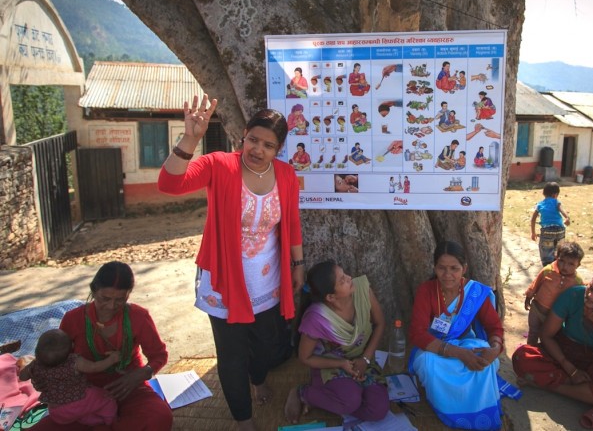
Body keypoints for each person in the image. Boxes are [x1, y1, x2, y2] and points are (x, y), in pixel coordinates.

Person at [158, 95, 304, 431]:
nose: (258, 150)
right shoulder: (219, 165)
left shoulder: (285, 174)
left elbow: (291, 222)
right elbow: (169, 184)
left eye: (268, 145)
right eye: (253, 139)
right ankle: (243, 418)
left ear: (278, 150)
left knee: (268, 346)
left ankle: (258, 379)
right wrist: (191, 138)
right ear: (243, 137)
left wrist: (297, 264)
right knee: (232, 353)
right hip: (223, 280)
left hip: (268, 280)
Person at [30, 261, 172, 431]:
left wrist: (140, 374)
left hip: (128, 388)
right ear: (93, 290)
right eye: (105, 298)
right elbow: (58, 360)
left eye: (120, 300)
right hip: (82, 394)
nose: (111, 306)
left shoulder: (138, 316)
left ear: (128, 295)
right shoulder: (73, 319)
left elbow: (159, 355)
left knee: (160, 417)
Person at [512, 265, 593, 430]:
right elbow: (547, 335)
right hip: (562, 352)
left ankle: (551, 385)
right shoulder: (573, 295)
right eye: (590, 288)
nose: (590, 296)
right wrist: (571, 370)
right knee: (522, 357)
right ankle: (582, 391)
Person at [408, 241, 508, 430]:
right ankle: (448, 408)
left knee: (485, 362)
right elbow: (417, 334)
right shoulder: (427, 291)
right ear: (434, 268)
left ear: (464, 268)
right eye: (441, 268)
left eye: (454, 268)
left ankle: (478, 410)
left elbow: (494, 328)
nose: (447, 275)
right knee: (429, 365)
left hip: (464, 342)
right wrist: (458, 353)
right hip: (434, 346)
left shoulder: (475, 292)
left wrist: (495, 348)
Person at [285, 261, 388, 424]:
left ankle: (336, 401)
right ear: (331, 297)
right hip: (332, 364)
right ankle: (303, 393)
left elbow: (380, 323)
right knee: (350, 401)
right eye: (342, 280)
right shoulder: (317, 318)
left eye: (344, 273)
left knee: (378, 410)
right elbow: (305, 358)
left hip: (363, 360)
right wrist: (341, 364)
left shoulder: (362, 290)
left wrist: (365, 359)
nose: (349, 278)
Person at [19, 329, 119, 427]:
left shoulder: (35, 365)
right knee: (107, 398)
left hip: (58, 412)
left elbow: (22, 377)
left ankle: (90, 421)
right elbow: (95, 367)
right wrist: (112, 359)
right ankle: (110, 420)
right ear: (72, 346)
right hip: (82, 399)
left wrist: (27, 369)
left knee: (80, 414)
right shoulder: (74, 362)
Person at [523, 241, 584, 346]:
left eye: (571, 264)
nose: (565, 266)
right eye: (562, 261)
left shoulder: (577, 281)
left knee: (547, 336)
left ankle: (542, 355)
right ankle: (529, 353)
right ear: (556, 257)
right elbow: (536, 283)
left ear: (578, 265)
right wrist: (529, 296)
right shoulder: (548, 271)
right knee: (533, 333)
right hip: (537, 310)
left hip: (555, 317)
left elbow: (578, 299)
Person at [530, 182, 571, 265]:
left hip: (547, 232)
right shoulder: (556, 202)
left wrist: (533, 233)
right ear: (555, 195)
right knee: (560, 250)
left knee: (546, 251)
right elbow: (562, 210)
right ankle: (559, 265)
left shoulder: (540, 204)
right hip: (560, 230)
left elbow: (533, 219)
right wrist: (567, 218)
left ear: (543, 193)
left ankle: (547, 267)